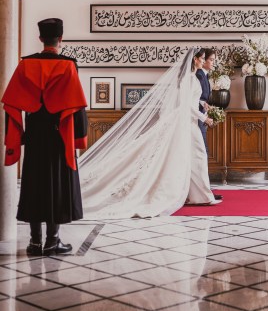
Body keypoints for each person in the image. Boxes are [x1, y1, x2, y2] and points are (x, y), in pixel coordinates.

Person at [78, 47, 220, 219]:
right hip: (186, 122)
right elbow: (187, 105)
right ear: (195, 59)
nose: (204, 61)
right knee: (197, 155)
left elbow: (192, 100)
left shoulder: (191, 78)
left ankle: (200, 195)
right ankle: (201, 195)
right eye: (202, 58)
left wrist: (203, 106)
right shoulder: (189, 78)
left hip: (187, 122)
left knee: (193, 157)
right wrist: (204, 118)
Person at [2, 18, 88, 256]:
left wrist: (16, 137)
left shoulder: (25, 65)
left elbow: (11, 103)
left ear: (40, 38)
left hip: (34, 134)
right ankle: (53, 241)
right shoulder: (69, 65)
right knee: (57, 185)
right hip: (59, 134)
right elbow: (77, 105)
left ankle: (34, 242)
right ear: (60, 39)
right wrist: (79, 137)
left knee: (33, 183)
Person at [195, 48, 223, 201]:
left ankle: (205, 189)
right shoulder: (199, 75)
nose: (213, 62)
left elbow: (200, 98)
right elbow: (193, 98)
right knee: (202, 153)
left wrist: (206, 106)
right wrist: (204, 109)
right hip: (197, 119)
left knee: (202, 153)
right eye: (211, 60)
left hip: (201, 117)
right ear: (203, 61)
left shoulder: (204, 75)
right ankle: (204, 190)